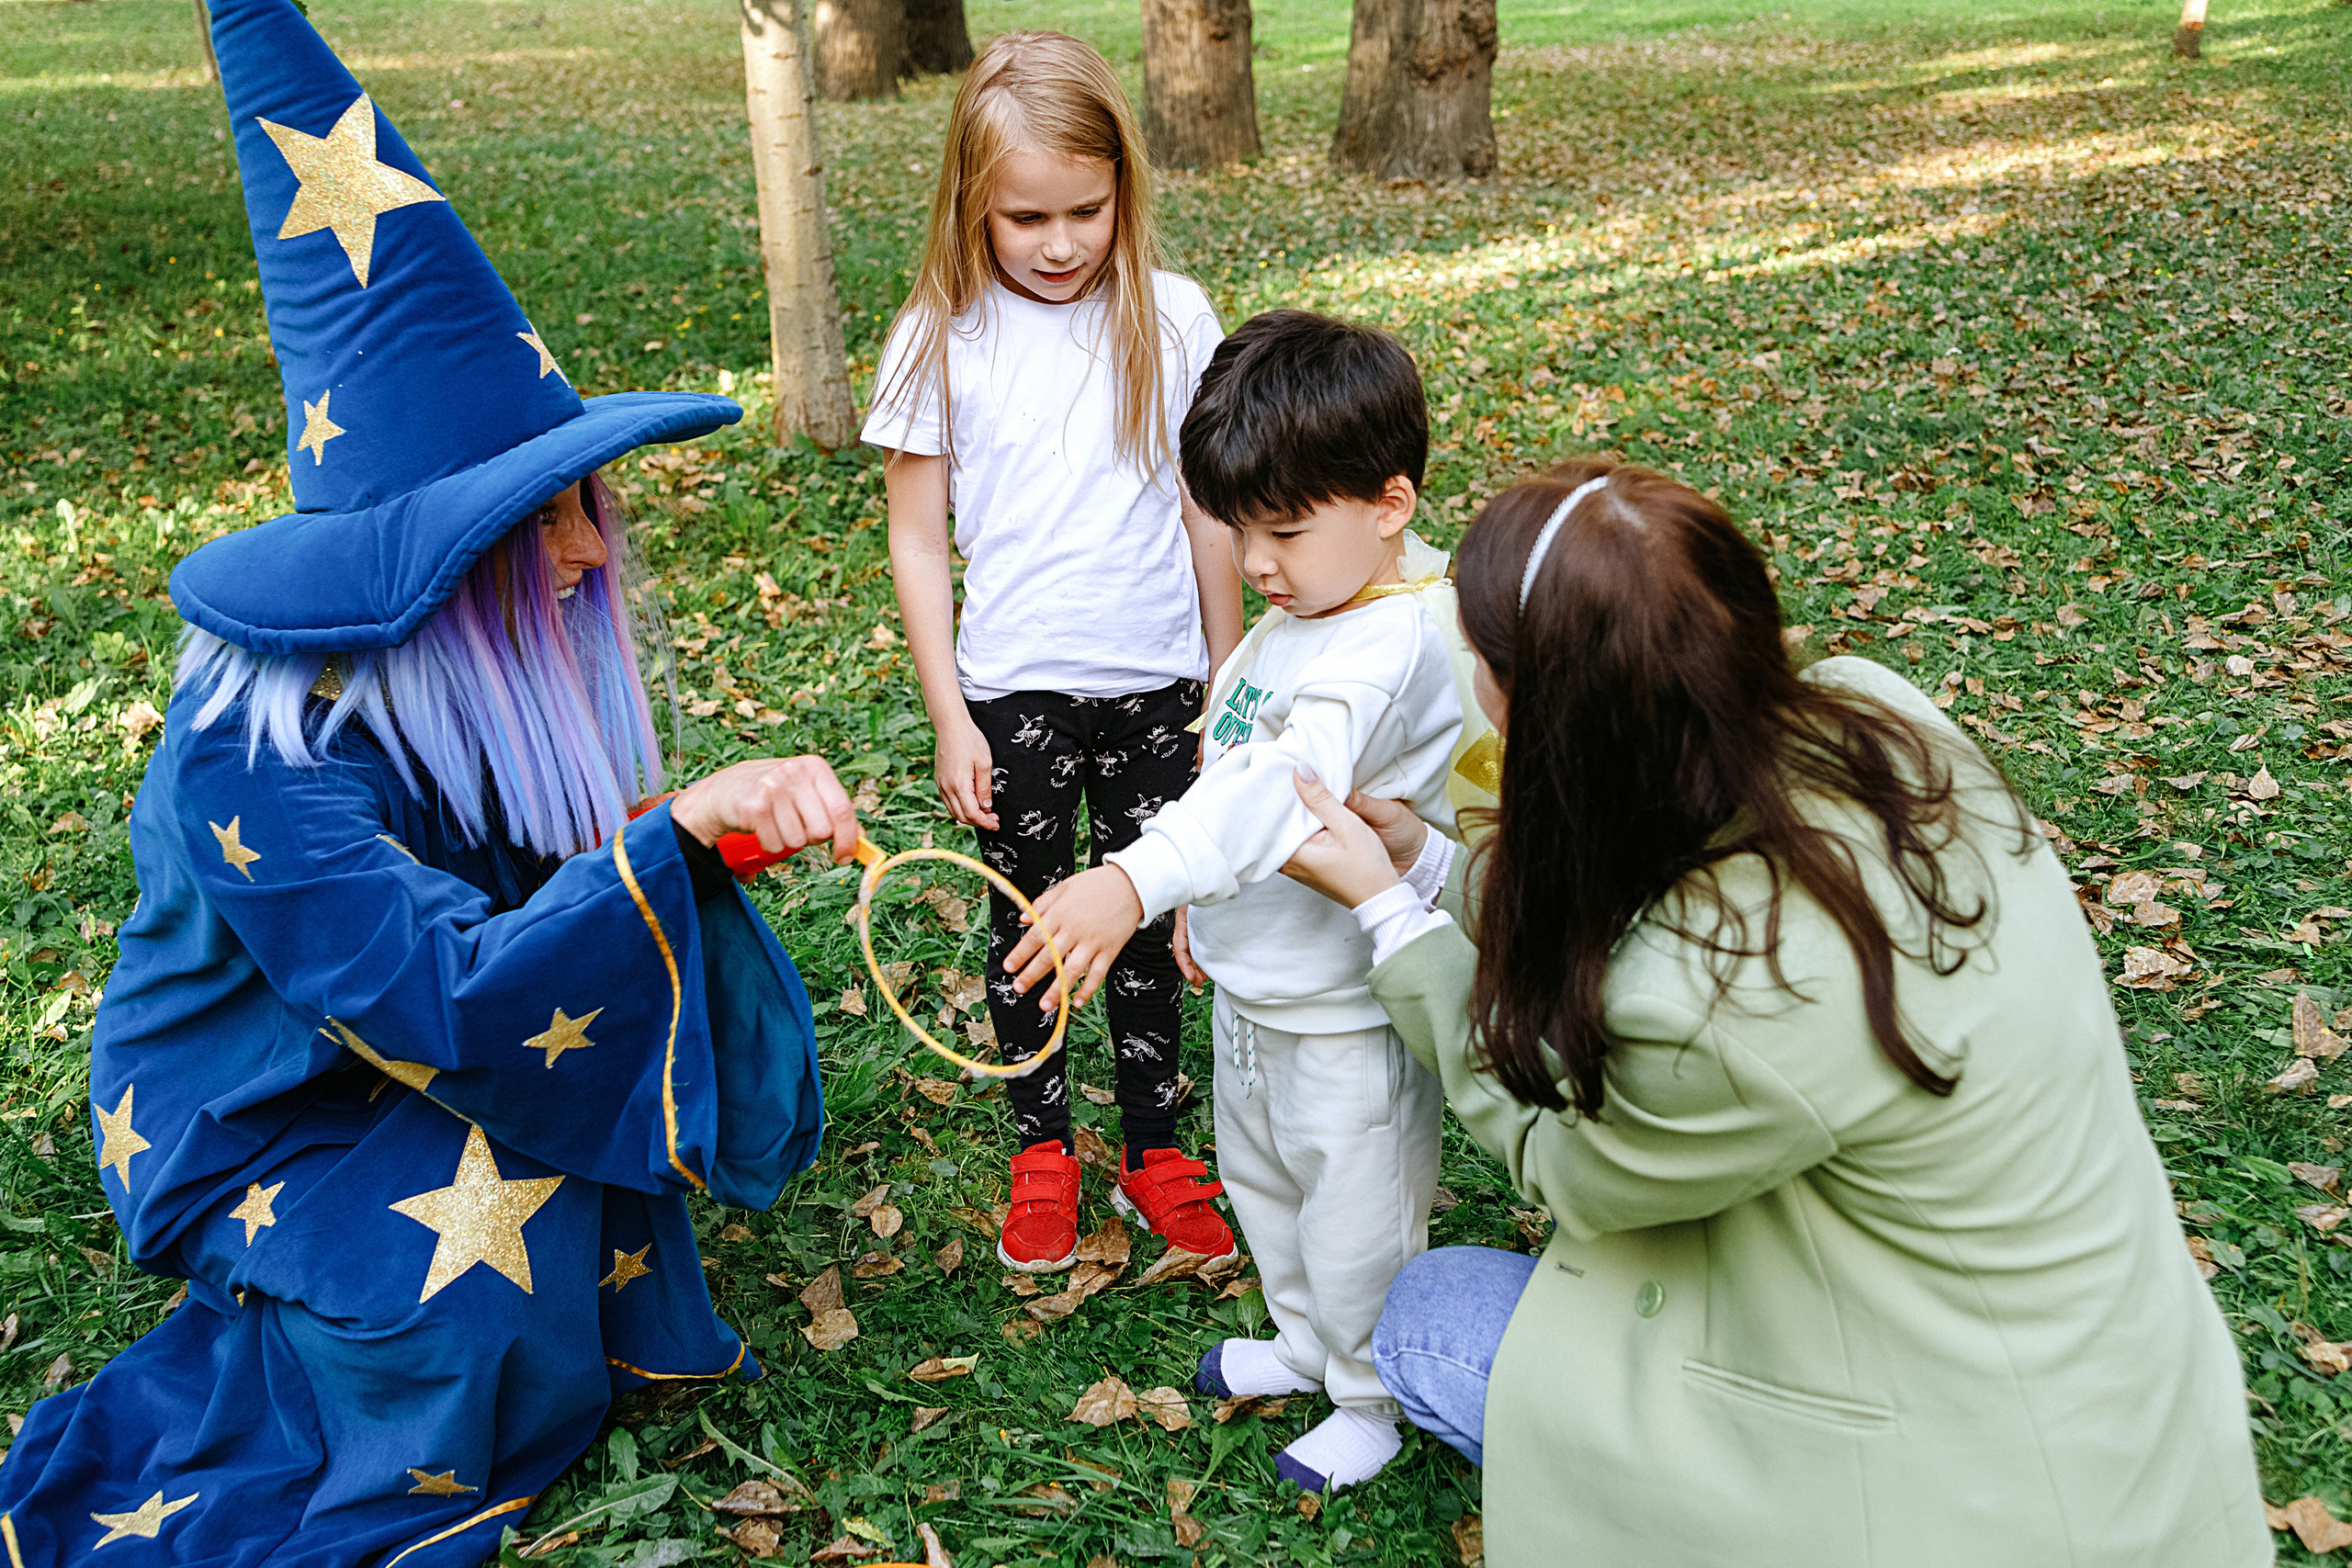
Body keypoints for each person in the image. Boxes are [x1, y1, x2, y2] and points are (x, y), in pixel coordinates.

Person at [0, 4, 851, 1561]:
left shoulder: (461, 687)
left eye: (585, 493)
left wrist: (682, 841)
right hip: (265, 1116)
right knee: (469, 1283)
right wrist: (681, 837)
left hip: (416, 1038)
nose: (595, 546)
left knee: (577, 1157)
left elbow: (539, 904)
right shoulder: (255, 765)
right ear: (427, 567)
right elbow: (447, 999)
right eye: (545, 522)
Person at [1279, 457, 2272, 1565]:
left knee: (1429, 1319)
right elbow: (1630, 873)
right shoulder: (1871, 718)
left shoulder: (1724, 1006)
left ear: (1553, 705)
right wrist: (1428, 860)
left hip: (1976, 1502)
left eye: (1477, 658)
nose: (1465, 674)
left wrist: (1390, 920)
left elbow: (1568, 1173)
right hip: (2115, 1384)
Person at [1003, 311, 1464, 1495]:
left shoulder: (1384, 641)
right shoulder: (1294, 616)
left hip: (1349, 1013)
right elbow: (1227, 759)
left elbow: (1275, 789)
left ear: (1390, 505)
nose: (1255, 561)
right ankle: (1307, 1342)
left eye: (1286, 531)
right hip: (1257, 989)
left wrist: (1131, 880)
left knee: (1356, 1213)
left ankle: (1367, 1393)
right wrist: (1201, 921)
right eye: (1238, 530)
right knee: (1263, 1182)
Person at [865, 30, 1243, 1276]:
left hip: (1157, 683)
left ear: (1124, 186)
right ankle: (1043, 1146)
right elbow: (919, 539)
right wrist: (948, 713)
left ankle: (1153, 1146)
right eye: (1027, 216)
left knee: (1145, 919)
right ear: (972, 202)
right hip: (1013, 691)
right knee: (1028, 924)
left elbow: (1207, 508)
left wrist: (1226, 682)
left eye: (1087, 208)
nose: (1063, 241)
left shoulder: (1173, 314)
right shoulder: (939, 331)